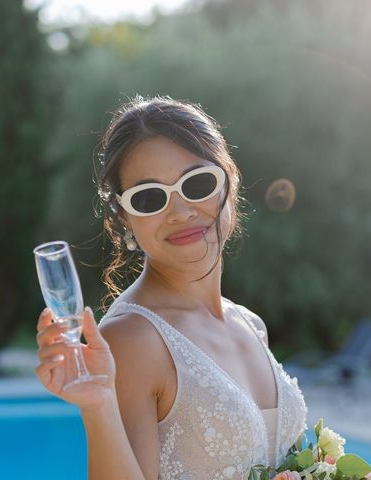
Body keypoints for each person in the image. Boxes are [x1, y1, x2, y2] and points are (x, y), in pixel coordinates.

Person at [35, 95, 307, 480]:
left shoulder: (250, 324)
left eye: (197, 183)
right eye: (149, 198)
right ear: (125, 218)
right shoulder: (132, 341)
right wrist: (98, 407)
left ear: (230, 179)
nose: (180, 212)